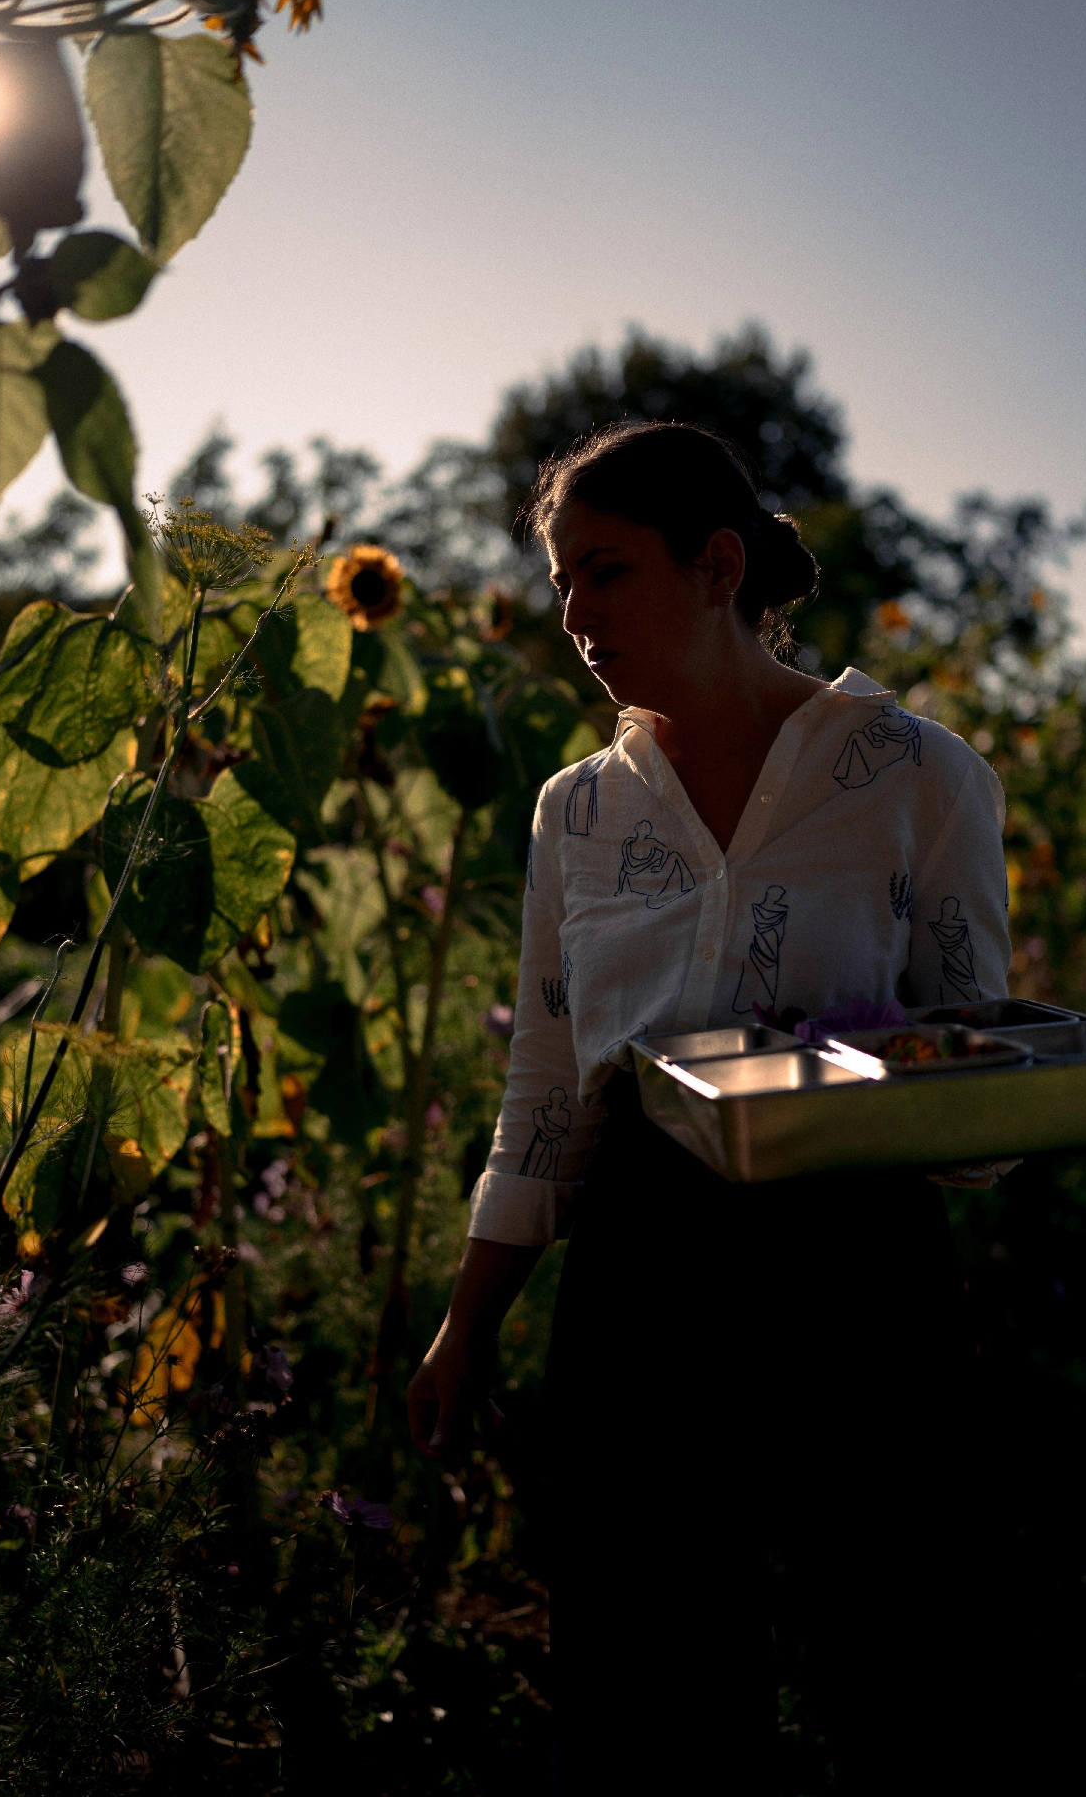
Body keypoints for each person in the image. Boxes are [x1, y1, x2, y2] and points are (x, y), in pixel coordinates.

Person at [407, 422, 1011, 1793]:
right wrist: (468, 1324)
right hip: (645, 1265)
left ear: (718, 563)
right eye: (563, 582)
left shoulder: (918, 778)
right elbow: (548, 1085)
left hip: (858, 1259)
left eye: (606, 572)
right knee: (647, 1676)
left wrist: (930, 1110)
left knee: (901, 1656)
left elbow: (979, 1067)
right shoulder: (577, 816)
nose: (575, 614)